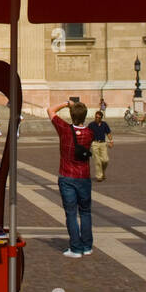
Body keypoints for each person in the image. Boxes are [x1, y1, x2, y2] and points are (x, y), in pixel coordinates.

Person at [47, 100, 95, 257]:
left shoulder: (65, 130)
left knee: (71, 214)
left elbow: (50, 110)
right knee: (86, 212)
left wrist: (66, 103)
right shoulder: (90, 133)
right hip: (84, 177)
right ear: (85, 116)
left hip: (67, 176)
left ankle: (75, 248)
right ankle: (87, 246)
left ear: (71, 115)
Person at [89, 109, 113, 182]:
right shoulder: (91, 125)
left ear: (101, 118)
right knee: (98, 161)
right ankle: (99, 176)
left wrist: (111, 141)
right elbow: (88, 134)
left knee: (105, 160)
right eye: (96, 117)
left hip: (103, 144)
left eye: (98, 117)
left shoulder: (104, 124)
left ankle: (102, 172)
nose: (96, 118)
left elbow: (108, 133)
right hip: (94, 144)